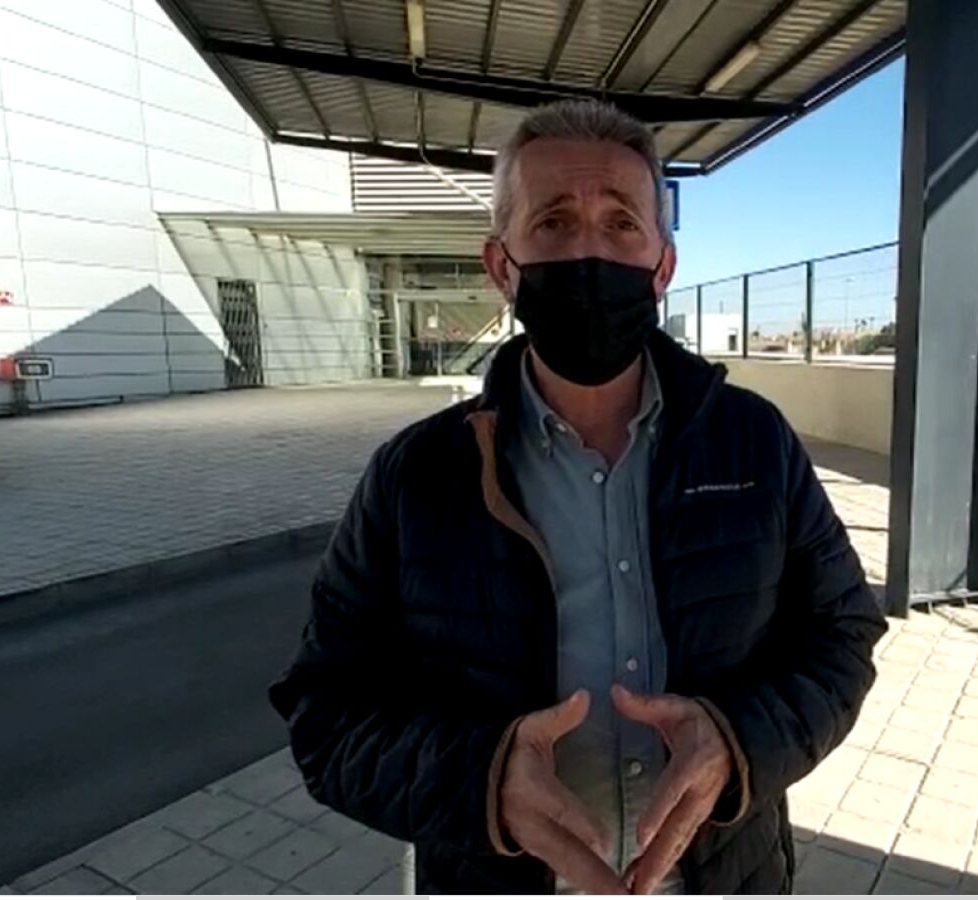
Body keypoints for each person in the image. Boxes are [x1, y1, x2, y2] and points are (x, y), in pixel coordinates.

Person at [269, 99, 885, 895]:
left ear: (662, 266)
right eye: (553, 222)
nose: (589, 249)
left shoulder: (754, 443)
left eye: (621, 222)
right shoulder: (414, 476)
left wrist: (739, 742)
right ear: (501, 266)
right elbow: (325, 709)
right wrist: (479, 782)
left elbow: (842, 632)